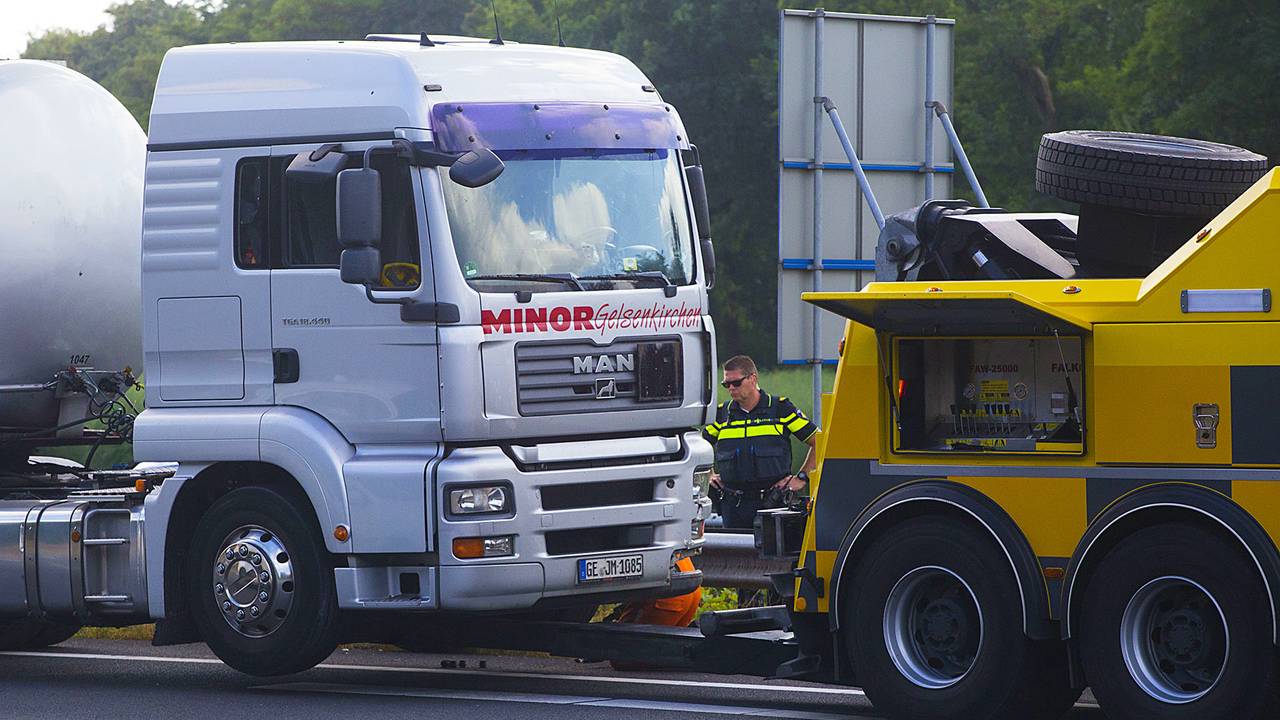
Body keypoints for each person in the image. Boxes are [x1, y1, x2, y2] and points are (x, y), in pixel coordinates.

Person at [701, 355, 819, 529]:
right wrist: (709, 474)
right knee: (735, 554)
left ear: (752, 378)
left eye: (736, 383)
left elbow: (819, 441)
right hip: (733, 506)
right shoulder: (722, 414)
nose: (731, 388)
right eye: (726, 384)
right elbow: (700, 448)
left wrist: (802, 478)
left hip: (774, 504)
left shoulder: (780, 409)